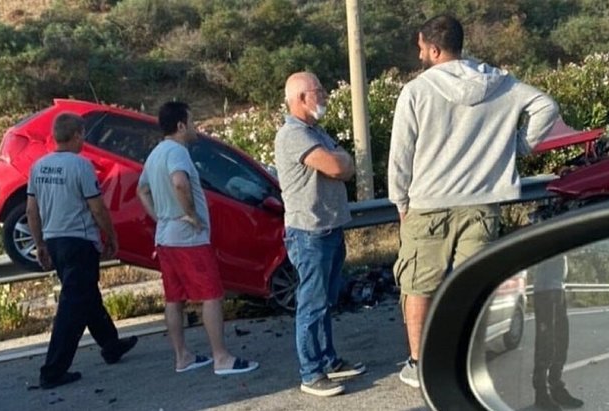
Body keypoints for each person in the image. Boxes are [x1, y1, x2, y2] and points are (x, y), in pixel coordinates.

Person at [388, 15, 559, 388]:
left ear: (434, 48)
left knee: (418, 284)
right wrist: (515, 148)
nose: (420, 54)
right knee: (473, 284)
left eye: (421, 47)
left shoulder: (417, 91)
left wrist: (400, 202)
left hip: (428, 203)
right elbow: (547, 106)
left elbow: (401, 154)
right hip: (482, 203)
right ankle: (468, 356)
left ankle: (419, 363)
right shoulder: (500, 84)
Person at [137, 101, 258, 376]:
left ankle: (182, 356)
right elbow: (180, 182)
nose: (195, 127)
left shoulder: (155, 153)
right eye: (192, 122)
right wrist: (190, 214)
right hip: (188, 238)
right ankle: (221, 357)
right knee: (212, 294)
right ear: (181, 125)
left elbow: (141, 190)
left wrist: (159, 216)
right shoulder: (177, 152)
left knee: (174, 298)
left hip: (165, 236)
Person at [27, 112, 138, 389]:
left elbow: (31, 209)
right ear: (76, 135)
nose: (83, 140)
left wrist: (39, 243)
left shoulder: (38, 167)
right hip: (79, 241)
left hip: (55, 240)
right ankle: (52, 371)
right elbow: (97, 207)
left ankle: (111, 345)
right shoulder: (81, 166)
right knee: (72, 306)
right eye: (83, 136)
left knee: (86, 295)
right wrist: (111, 236)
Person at [274, 72, 366, 398]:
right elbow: (339, 167)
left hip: (329, 229)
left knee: (325, 301)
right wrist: (340, 161)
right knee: (311, 304)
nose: (325, 95)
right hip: (309, 234)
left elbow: (347, 162)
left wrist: (340, 160)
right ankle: (311, 372)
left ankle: (329, 360)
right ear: (301, 98)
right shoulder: (293, 135)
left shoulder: (315, 131)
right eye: (319, 90)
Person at [531, 255, 584, 410]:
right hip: (545, 289)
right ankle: (541, 393)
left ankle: (556, 387)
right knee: (546, 344)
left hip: (558, 287)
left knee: (561, 342)